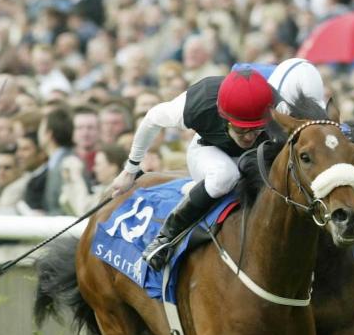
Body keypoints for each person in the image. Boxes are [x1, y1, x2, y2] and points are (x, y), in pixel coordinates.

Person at [110, 68, 275, 270]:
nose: (249, 137)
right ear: (223, 115)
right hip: (208, 149)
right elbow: (151, 119)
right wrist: (130, 170)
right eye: (241, 129)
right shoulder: (199, 103)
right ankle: (167, 236)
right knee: (226, 176)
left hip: (256, 157)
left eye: (256, 129)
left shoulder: (279, 108)